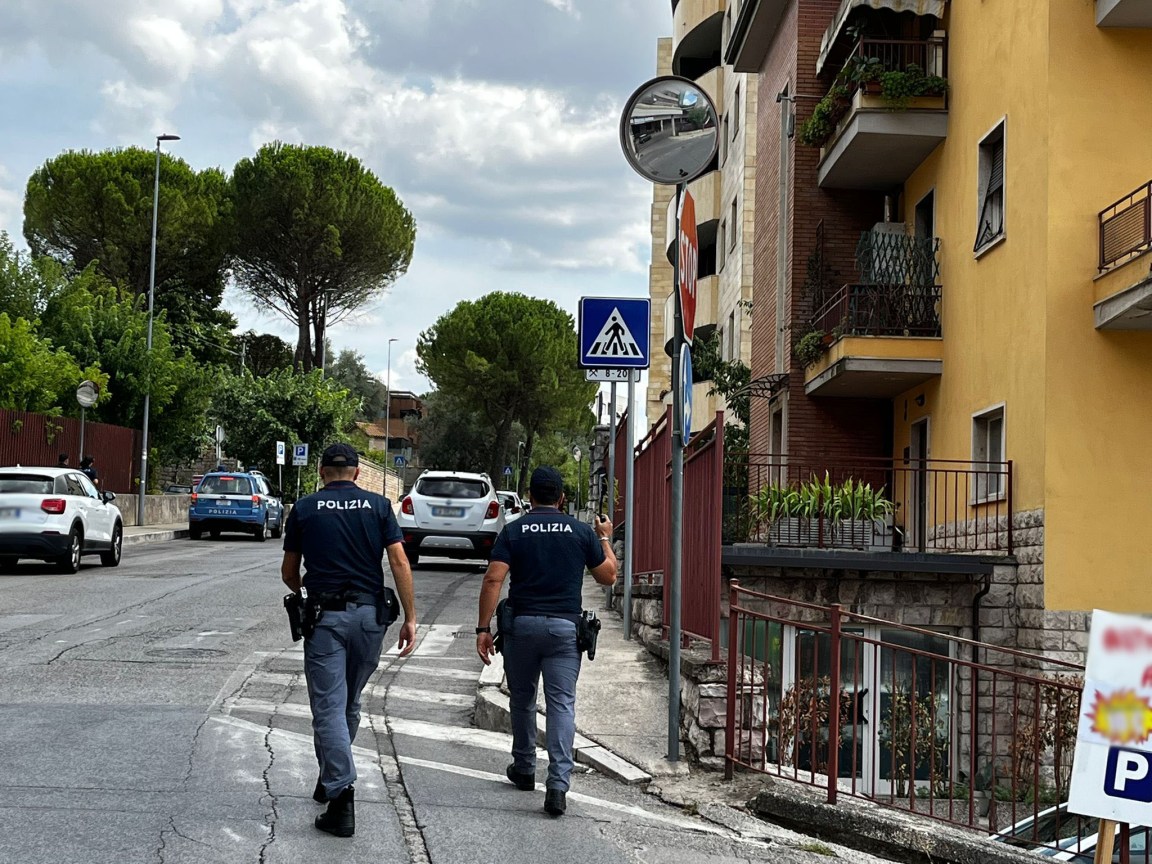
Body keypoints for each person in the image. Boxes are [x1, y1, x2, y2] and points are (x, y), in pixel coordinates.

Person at [280, 442, 418, 837]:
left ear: (321, 472)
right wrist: (411, 618)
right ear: (357, 473)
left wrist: (305, 590)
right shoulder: (379, 506)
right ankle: (330, 774)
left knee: (328, 706)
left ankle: (340, 795)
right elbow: (399, 561)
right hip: (370, 619)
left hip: (326, 620)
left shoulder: (305, 509)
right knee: (349, 702)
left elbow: (289, 571)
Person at [475, 466, 617, 817]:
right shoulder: (580, 532)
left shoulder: (514, 530)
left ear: (530, 496)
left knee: (522, 699)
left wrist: (482, 628)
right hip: (564, 630)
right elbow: (609, 576)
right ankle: (557, 786)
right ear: (562, 498)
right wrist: (604, 537)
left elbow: (493, 579)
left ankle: (524, 768)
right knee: (561, 705)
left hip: (521, 628)